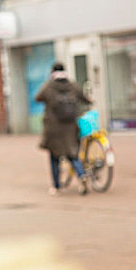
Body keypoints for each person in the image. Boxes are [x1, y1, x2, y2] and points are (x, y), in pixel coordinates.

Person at [36, 62, 92, 196]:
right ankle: (81, 174)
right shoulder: (72, 85)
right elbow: (85, 99)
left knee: (54, 157)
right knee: (72, 154)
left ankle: (56, 186)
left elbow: (38, 98)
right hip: (70, 126)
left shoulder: (49, 86)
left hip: (53, 127)